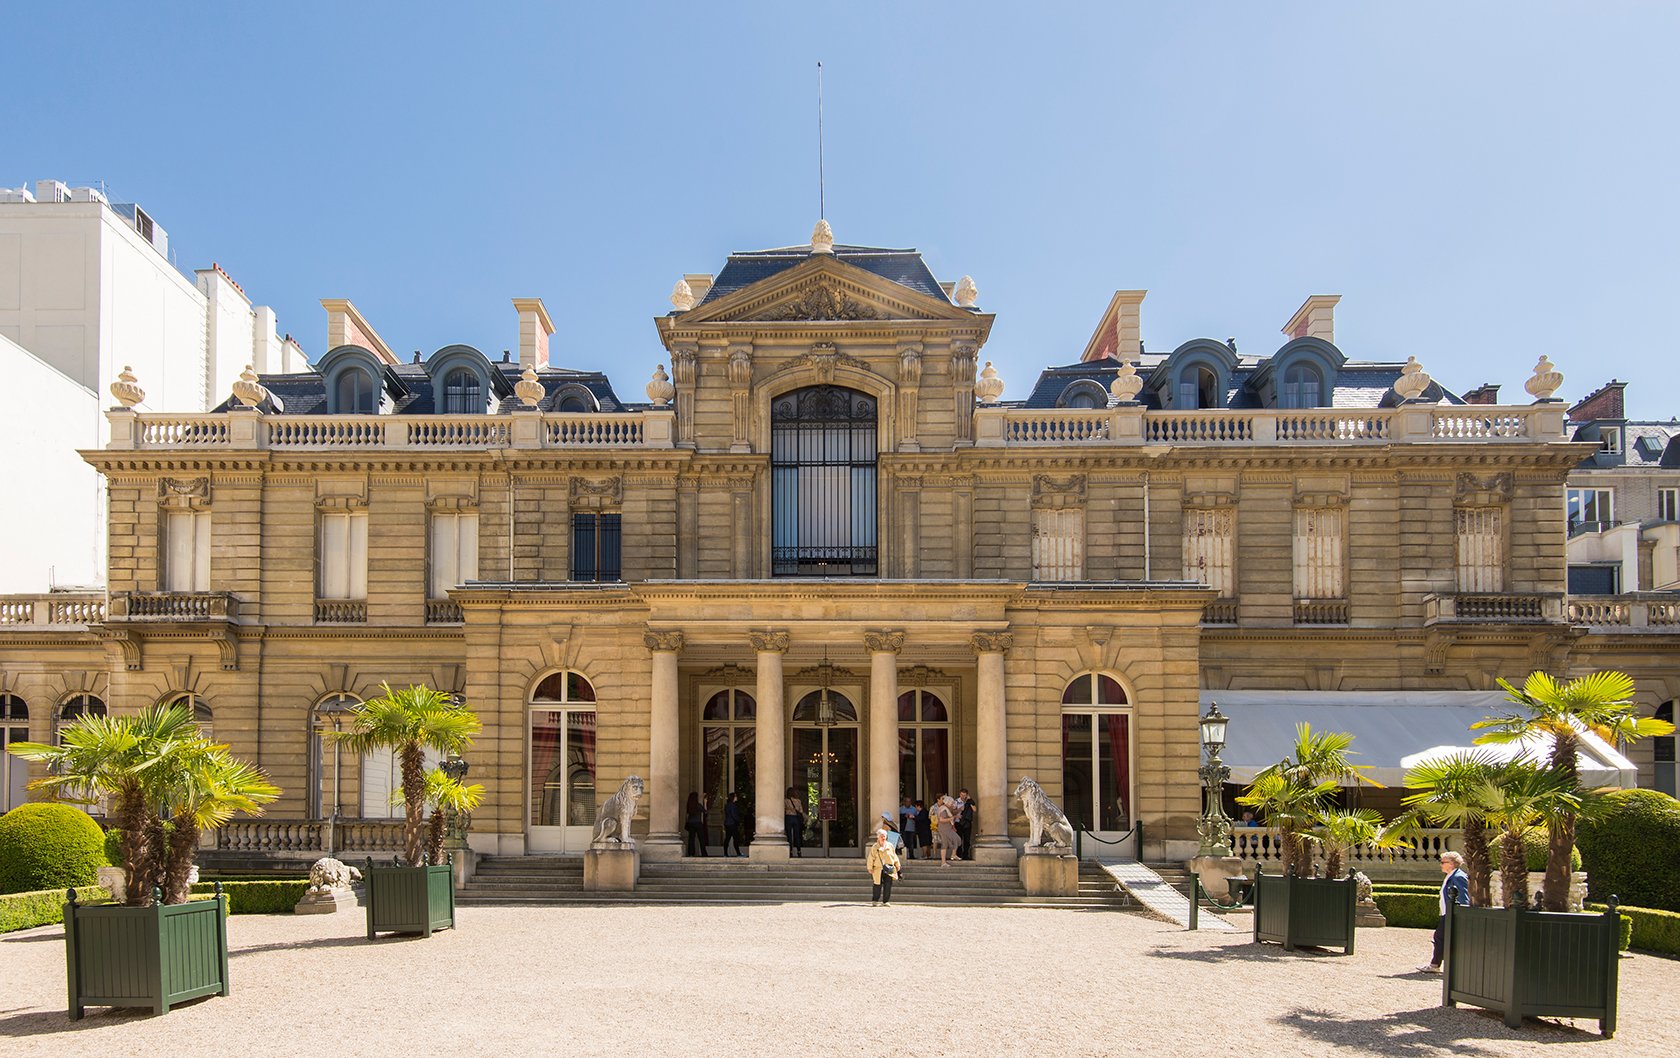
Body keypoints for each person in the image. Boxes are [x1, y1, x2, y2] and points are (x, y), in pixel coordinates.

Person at [1418, 851, 1470, 973]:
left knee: (1440, 937)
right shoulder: (1452, 875)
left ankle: (1435, 965)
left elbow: (1463, 897)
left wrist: (1458, 913)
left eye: (1443, 862)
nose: (1441, 865)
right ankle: (1437, 964)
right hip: (1447, 913)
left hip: (1452, 914)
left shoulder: (1458, 877)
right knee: (1441, 938)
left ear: (1451, 864)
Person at [865, 828, 901, 905]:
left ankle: (886, 901)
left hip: (889, 867)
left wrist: (897, 864)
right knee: (877, 884)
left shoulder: (890, 845)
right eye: (881, 836)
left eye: (884, 836)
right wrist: (870, 867)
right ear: (878, 837)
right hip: (878, 868)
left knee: (888, 885)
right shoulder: (875, 846)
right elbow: (871, 857)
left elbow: (894, 856)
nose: (883, 838)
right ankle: (875, 900)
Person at [932, 795, 962, 866]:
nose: (952, 804)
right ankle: (946, 860)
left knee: (953, 841)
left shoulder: (944, 808)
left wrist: (952, 826)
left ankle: (951, 857)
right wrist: (954, 817)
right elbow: (941, 820)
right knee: (955, 840)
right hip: (944, 829)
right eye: (951, 803)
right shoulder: (943, 809)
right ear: (948, 802)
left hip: (946, 828)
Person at [879, 812, 906, 878]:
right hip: (894, 844)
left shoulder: (885, 825)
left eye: (882, 817)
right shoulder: (893, 824)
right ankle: (898, 873)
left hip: (887, 845)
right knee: (893, 859)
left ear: (884, 818)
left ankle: (890, 875)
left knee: (888, 860)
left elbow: (883, 836)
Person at [684, 791, 709, 857]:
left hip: (690, 823)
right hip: (698, 823)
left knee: (691, 839)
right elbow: (705, 812)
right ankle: (704, 853)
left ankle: (691, 853)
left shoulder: (689, 805)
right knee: (701, 839)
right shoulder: (698, 805)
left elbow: (687, 815)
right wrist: (705, 802)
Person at [784, 786, 806, 857]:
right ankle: (799, 851)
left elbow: (784, 810)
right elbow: (801, 811)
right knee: (797, 835)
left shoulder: (786, 801)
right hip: (796, 818)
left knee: (789, 835)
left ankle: (790, 851)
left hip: (789, 817)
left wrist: (789, 809)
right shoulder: (798, 801)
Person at [722, 791, 745, 857]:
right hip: (732, 824)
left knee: (727, 838)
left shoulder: (727, 805)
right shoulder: (733, 805)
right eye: (735, 796)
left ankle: (725, 853)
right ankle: (738, 853)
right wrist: (739, 821)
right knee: (736, 839)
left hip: (727, 823)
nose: (736, 797)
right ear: (733, 797)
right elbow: (734, 815)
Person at [958, 792, 976, 860]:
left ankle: (965, 854)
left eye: (965, 795)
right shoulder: (957, 801)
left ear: (967, 795)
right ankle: (959, 854)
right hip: (958, 823)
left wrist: (970, 800)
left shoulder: (969, 802)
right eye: (962, 795)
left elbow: (974, 809)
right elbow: (953, 811)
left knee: (967, 840)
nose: (963, 796)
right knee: (959, 839)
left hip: (967, 823)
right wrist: (960, 809)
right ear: (960, 794)